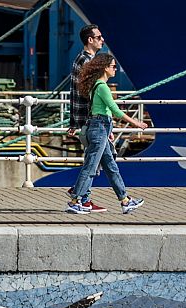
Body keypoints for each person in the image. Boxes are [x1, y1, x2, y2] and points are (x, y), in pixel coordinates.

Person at [65, 53, 147, 214]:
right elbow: (114, 110)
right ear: (105, 68)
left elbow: (102, 110)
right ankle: (75, 201)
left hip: (101, 128)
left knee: (111, 167)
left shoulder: (96, 85)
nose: (115, 69)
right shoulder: (102, 87)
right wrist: (135, 123)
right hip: (100, 127)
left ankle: (125, 200)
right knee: (90, 167)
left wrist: (108, 131)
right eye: (113, 66)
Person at [67, 24, 106, 212]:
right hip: (91, 120)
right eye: (99, 37)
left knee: (96, 159)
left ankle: (81, 194)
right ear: (90, 40)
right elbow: (87, 95)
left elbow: (73, 94)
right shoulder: (87, 62)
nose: (102, 40)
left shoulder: (82, 59)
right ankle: (80, 197)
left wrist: (73, 122)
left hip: (85, 120)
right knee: (95, 160)